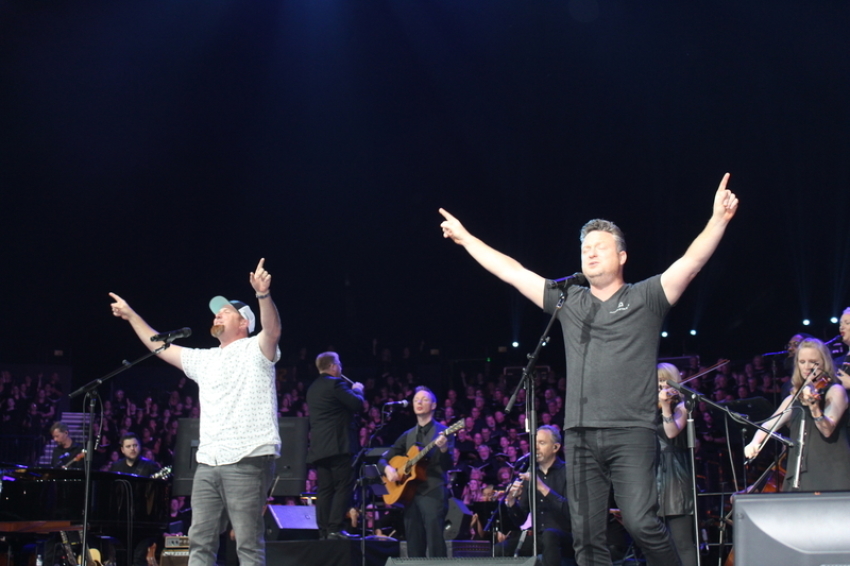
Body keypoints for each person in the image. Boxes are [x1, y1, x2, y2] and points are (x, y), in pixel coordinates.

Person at [439, 173, 738, 566]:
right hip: (579, 434)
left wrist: (718, 219)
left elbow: (691, 263)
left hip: (632, 430)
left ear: (622, 257)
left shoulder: (646, 297)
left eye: (600, 247)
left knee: (640, 521)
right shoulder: (569, 300)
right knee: (586, 536)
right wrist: (466, 239)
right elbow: (513, 271)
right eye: (585, 248)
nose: (591, 253)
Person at [109, 258, 281, 566]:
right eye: (217, 310)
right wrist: (132, 316)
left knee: (248, 544)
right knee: (199, 541)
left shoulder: (257, 349)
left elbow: (273, 329)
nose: (218, 313)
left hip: (248, 456)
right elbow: (158, 345)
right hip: (209, 462)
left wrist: (263, 295)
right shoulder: (205, 359)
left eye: (226, 311)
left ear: (243, 322)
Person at [744, 337, 850, 491]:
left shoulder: (835, 391)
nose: (807, 367)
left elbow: (827, 430)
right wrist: (755, 442)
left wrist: (814, 407)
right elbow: (769, 424)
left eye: (813, 362)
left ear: (824, 362)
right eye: (802, 362)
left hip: (831, 469)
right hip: (800, 472)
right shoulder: (793, 397)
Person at [381, 386, 453, 558]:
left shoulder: (444, 431)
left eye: (425, 399)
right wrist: (388, 469)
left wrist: (443, 449)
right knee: (414, 544)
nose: (419, 402)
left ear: (434, 405)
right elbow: (383, 458)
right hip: (410, 494)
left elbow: (447, 465)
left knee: (435, 542)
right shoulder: (408, 435)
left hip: (433, 491)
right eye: (416, 400)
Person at [305, 351, 365, 540]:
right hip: (339, 446)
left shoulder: (312, 388)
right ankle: (335, 528)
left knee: (325, 490)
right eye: (338, 364)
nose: (340, 367)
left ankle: (324, 531)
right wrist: (357, 390)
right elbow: (357, 404)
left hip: (320, 448)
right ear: (332, 366)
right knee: (343, 486)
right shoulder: (336, 384)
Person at [497, 425, 574, 566]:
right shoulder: (531, 474)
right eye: (534, 443)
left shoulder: (568, 472)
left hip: (566, 537)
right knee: (499, 550)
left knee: (550, 535)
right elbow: (520, 520)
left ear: (555, 448)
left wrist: (542, 487)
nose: (536, 448)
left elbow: (572, 512)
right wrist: (512, 502)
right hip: (539, 537)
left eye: (542, 443)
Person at [656, 363, 696, 566]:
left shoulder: (682, 404)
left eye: (664, 380)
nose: (661, 385)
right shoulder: (647, 405)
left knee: (682, 541)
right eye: (657, 381)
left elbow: (671, 432)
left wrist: (665, 405)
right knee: (656, 544)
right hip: (653, 473)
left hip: (674, 475)